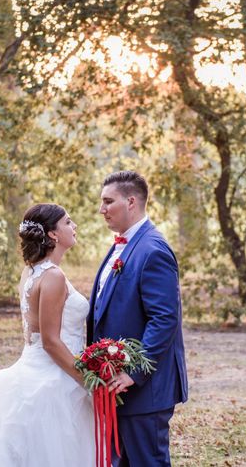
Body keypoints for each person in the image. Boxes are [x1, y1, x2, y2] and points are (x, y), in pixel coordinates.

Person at [0, 203, 94, 467]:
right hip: (56, 377)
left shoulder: (32, 271)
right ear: (53, 234)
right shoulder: (53, 276)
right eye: (68, 222)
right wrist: (87, 381)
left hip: (34, 367)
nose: (73, 226)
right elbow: (50, 341)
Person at [88, 171, 189, 467]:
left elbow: (164, 319)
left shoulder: (152, 249)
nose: (101, 209)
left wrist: (134, 372)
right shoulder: (123, 245)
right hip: (118, 388)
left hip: (145, 390)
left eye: (108, 201)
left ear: (131, 202)